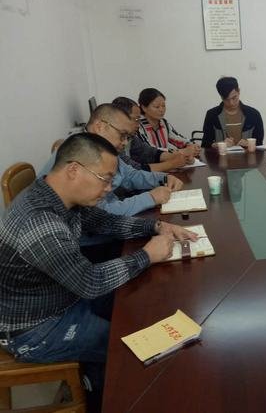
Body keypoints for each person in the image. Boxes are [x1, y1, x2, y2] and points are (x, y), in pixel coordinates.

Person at [0, 133, 198, 410]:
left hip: (64, 297)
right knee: (128, 346)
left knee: (137, 304)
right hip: (35, 328)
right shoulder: (41, 223)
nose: (109, 188)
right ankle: (102, 396)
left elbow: (107, 222)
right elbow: (89, 282)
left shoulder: (59, 196)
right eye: (104, 179)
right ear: (73, 170)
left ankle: (95, 378)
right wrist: (146, 255)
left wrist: (157, 227)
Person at [39, 104, 183, 217]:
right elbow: (102, 214)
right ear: (100, 127)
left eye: (127, 137)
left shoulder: (102, 148)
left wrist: (163, 178)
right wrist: (150, 198)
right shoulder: (82, 154)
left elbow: (130, 176)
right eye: (122, 135)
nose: (125, 142)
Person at [112, 97, 194, 172]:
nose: (138, 124)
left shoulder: (131, 136)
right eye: (136, 119)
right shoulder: (112, 141)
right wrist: (171, 164)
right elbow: (132, 170)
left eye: (163, 106)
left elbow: (148, 152)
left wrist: (179, 157)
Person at [201, 77, 264, 148]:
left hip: (247, 155)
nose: (231, 103)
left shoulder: (253, 114)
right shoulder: (212, 115)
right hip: (221, 155)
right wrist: (220, 144)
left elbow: (259, 144)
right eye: (226, 99)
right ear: (221, 97)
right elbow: (205, 145)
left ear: (239, 91)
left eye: (234, 98)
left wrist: (249, 144)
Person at [137, 87, 201, 155]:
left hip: (166, 159)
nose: (161, 110)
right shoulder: (138, 126)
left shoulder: (164, 123)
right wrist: (180, 151)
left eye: (163, 106)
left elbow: (176, 138)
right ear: (144, 108)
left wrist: (191, 145)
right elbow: (149, 150)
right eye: (157, 107)